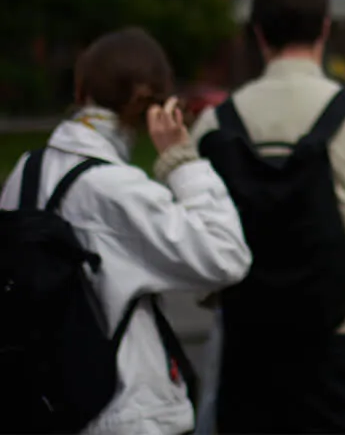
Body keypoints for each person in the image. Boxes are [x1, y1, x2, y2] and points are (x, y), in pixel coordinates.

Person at [191, 0, 345, 435]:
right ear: (325, 28)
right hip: (341, 344)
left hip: (249, 347)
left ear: (257, 33)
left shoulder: (214, 124)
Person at [0, 27, 252, 435]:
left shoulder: (25, 172)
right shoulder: (118, 190)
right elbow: (226, 256)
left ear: (81, 90)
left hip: (42, 404)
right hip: (123, 413)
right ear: (158, 106)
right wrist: (181, 160)